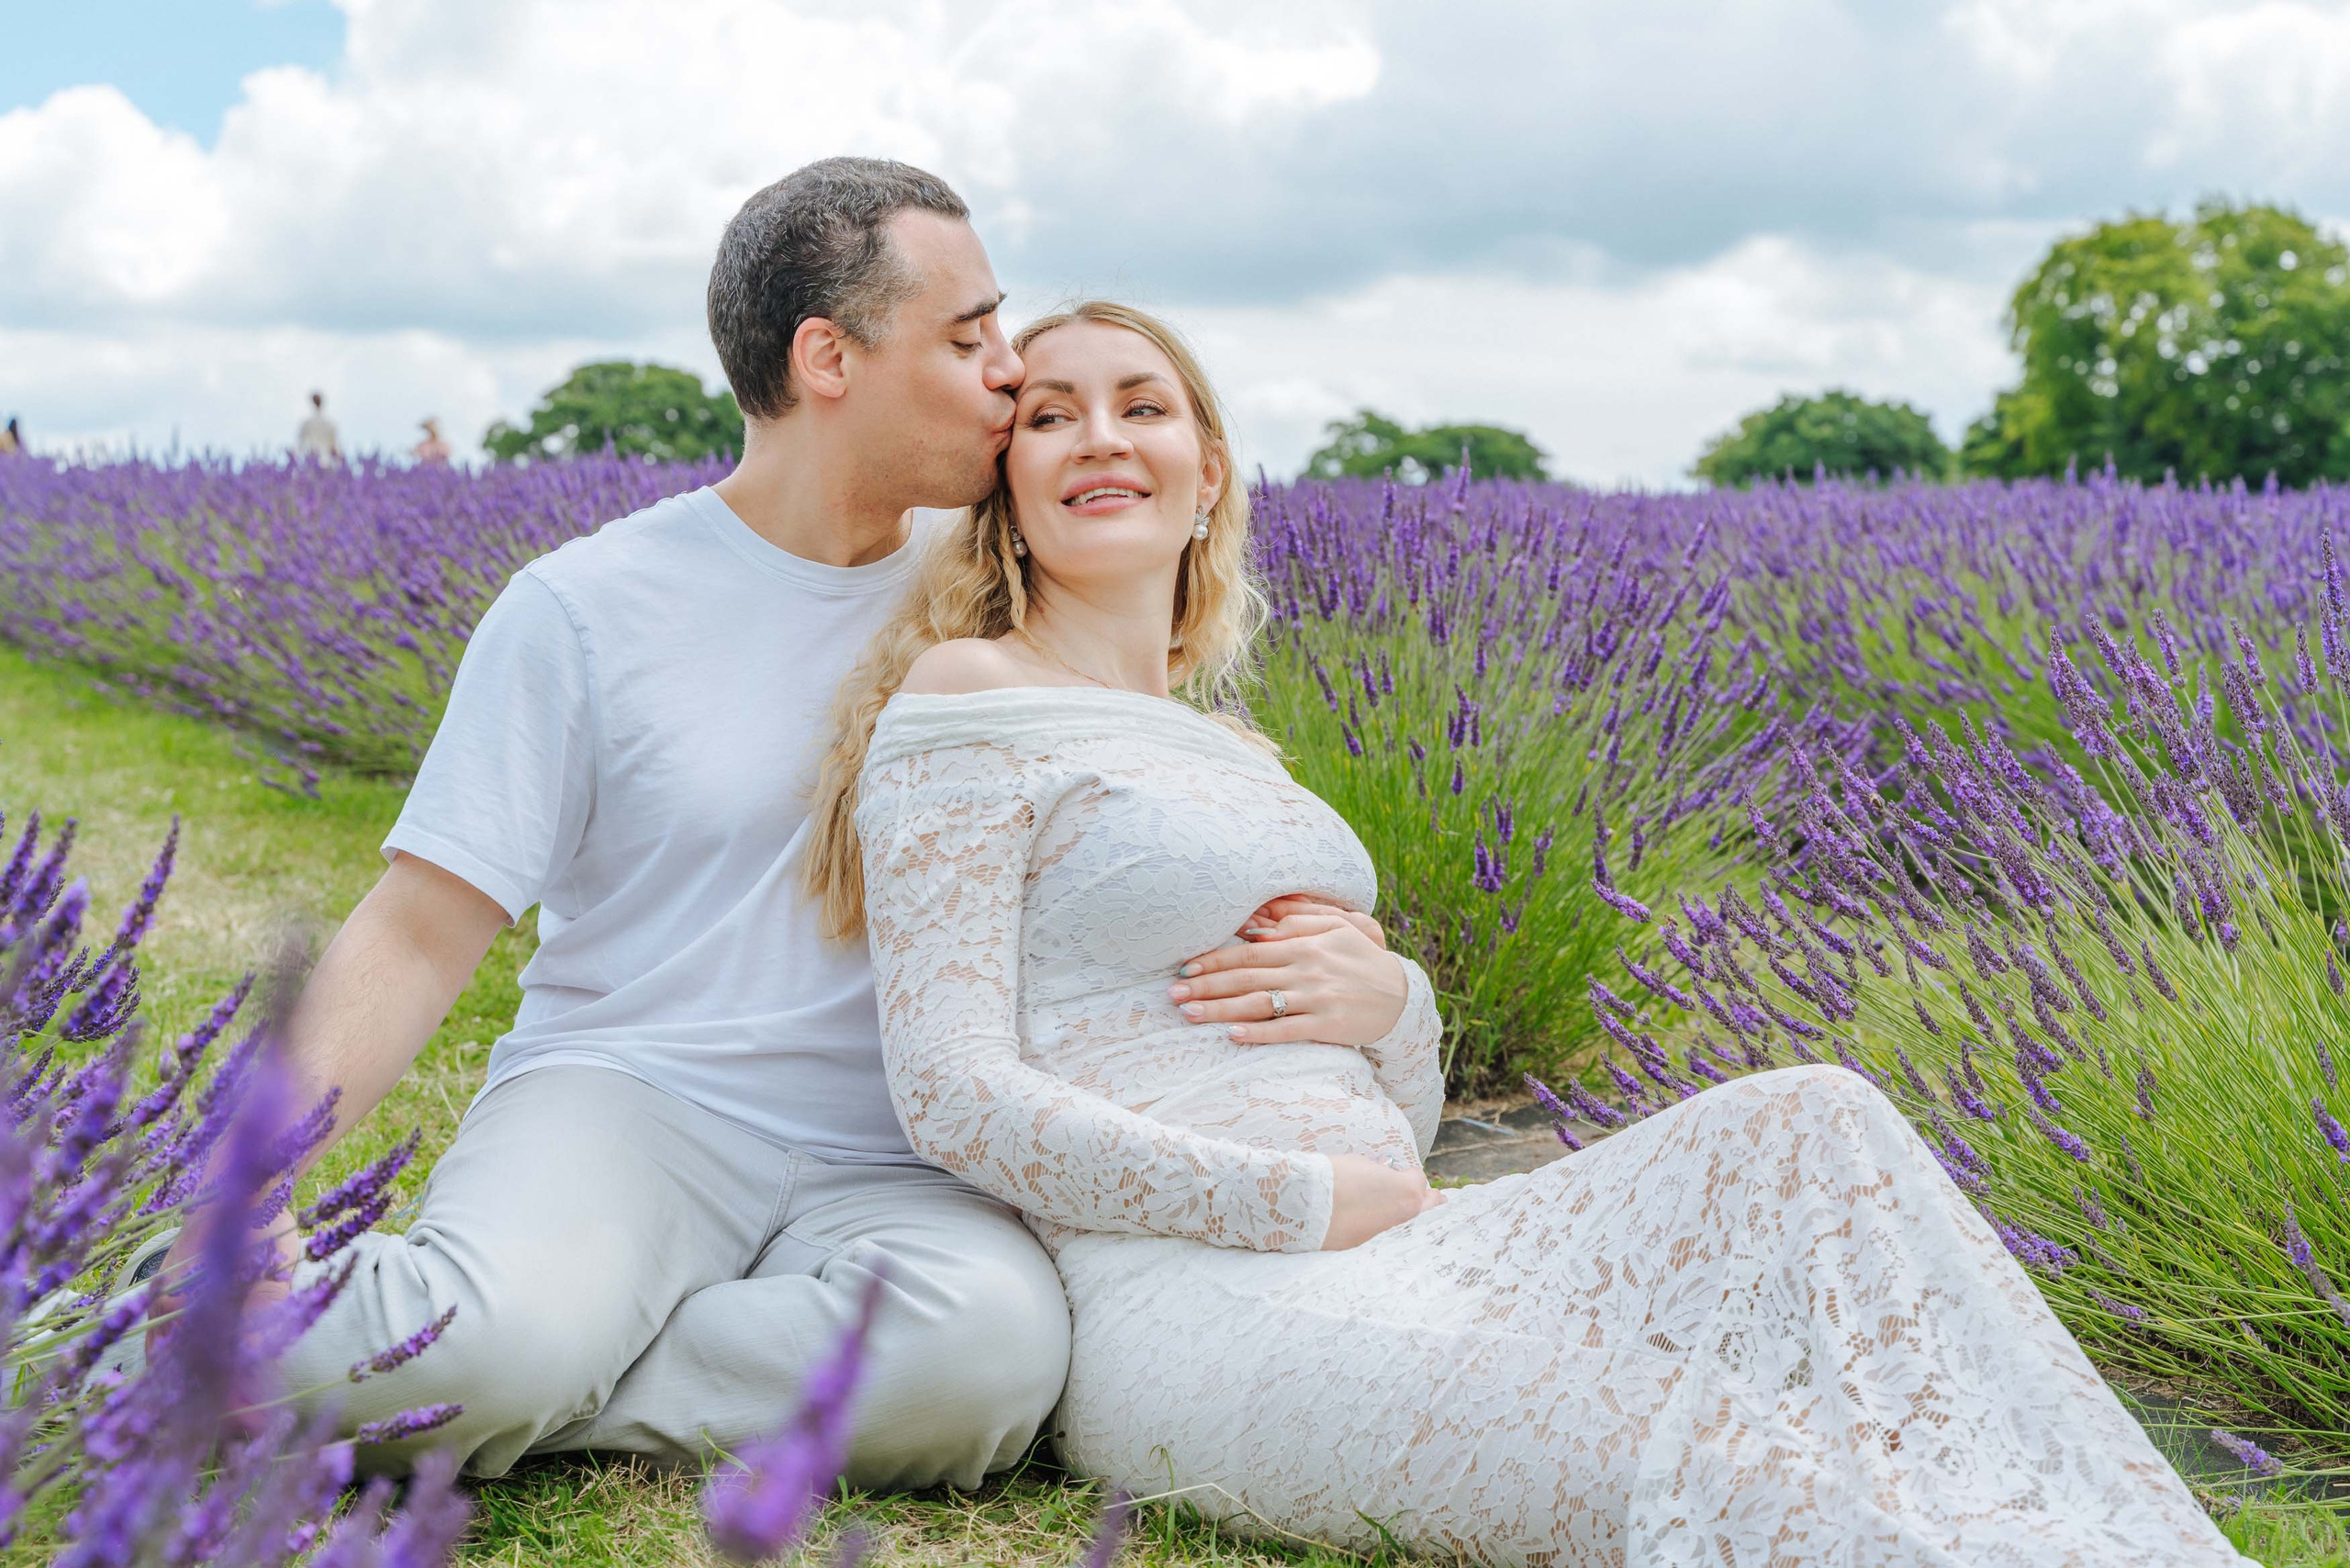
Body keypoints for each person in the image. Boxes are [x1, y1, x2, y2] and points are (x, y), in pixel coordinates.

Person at [810, 300, 2254, 1565]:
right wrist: (1291, 1202)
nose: (1097, 438)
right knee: (1750, 1477)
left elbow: (1400, 1110)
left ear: (1208, 481)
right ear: (1010, 493)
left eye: (1143, 406)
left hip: (1424, 1235)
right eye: (1049, 417)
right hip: (1204, 1300)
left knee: (1814, 1117)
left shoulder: (1238, 753)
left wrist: (1398, 1008)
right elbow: (950, 1093)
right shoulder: (965, 701)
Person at [144, 159, 1407, 1488]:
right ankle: (171, 1337)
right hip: (635, 1101)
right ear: (829, 357)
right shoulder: (587, 608)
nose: (1004, 374)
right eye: (968, 335)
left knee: (988, 1366)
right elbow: (416, 929)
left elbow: (1149, 835)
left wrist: (1379, 986)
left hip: (909, 1152)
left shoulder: (1003, 589)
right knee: (477, 1350)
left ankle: (559, 1363)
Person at [297, 392, 341, 463]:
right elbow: (335, 447)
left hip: (313, 460)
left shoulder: (308, 423)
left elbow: (300, 445)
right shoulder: (330, 424)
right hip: (326, 461)